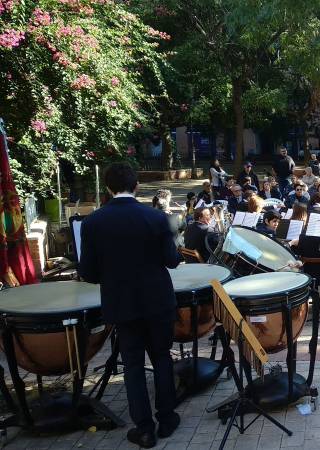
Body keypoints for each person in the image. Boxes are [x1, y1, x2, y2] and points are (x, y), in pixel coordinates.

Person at [78, 163, 180, 448]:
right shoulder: (157, 218)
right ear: (136, 187)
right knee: (161, 358)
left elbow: (88, 273)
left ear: (108, 189)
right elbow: (172, 260)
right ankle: (168, 420)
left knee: (133, 366)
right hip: (158, 301)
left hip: (122, 305)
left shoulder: (93, 222)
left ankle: (145, 430)